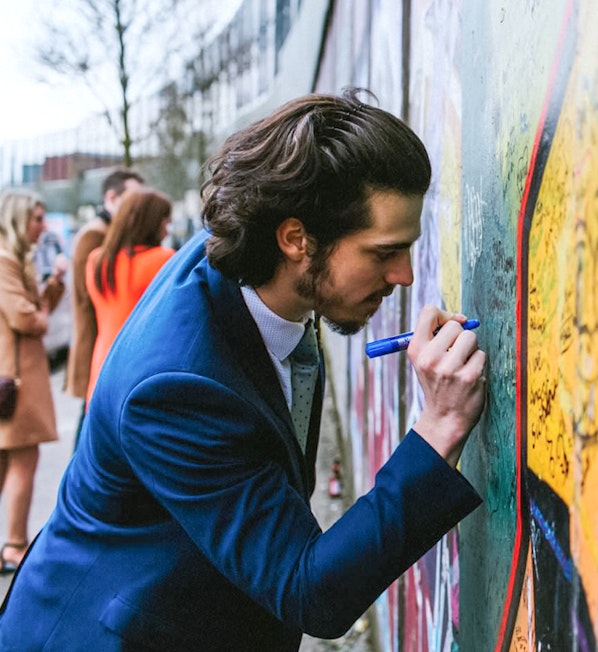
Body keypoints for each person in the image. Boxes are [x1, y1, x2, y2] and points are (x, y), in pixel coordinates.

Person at [0, 89, 487, 650]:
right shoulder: (179, 390)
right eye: (382, 253)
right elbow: (312, 591)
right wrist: (438, 429)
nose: (403, 275)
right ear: (296, 239)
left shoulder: (244, 270)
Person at [0, 191, 65, 575]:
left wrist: (52, 285)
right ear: (19, 219)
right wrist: (38, 315)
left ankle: (11, 542)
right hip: (17, 378)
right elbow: (26, 318)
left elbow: (36, 309)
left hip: (16, 374)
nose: (43, 225)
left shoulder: (15, 260)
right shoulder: (5, 260)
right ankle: (15, 545)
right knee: (24, 462)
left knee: (10, 463)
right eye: (37, 217)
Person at [64, 168, 144, 440]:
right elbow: (91, 293)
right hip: (98, 340)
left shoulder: (106, 232)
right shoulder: (95, 236)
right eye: (132, 199)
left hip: (103, 340)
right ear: (112, 198)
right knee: (89, 427)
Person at [83, 188, 175, 406]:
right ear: (151, 222)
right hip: (142, 370)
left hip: (102, 368)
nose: (167, 229)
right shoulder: (161, 259)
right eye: (165, 220)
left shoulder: (96, 261)